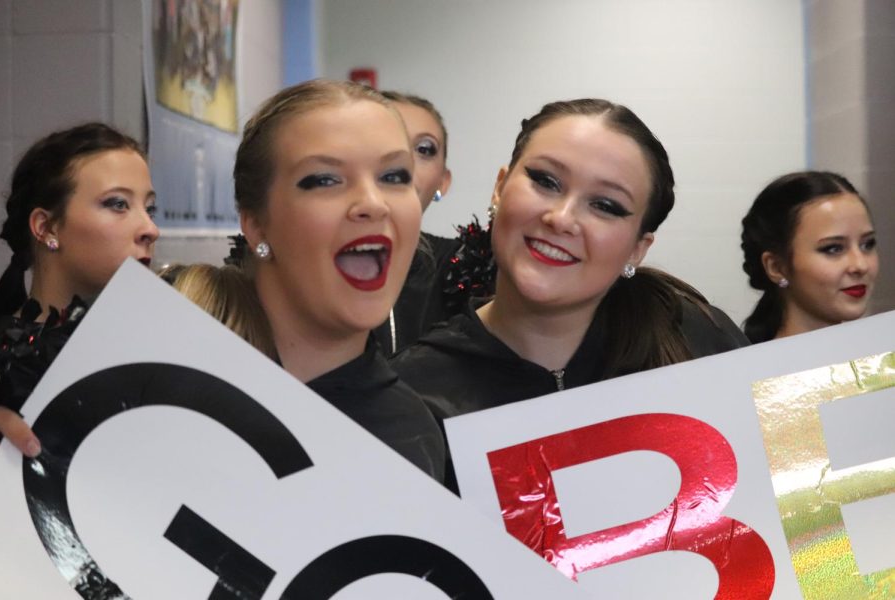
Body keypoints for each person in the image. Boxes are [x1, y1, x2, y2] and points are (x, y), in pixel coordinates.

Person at [390, 98, 747, 484]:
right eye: (545, 181)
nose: (561, 219)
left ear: (638, 248)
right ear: (499, 188)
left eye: (606, 205)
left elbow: (813, 517)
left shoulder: (698, 341)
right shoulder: (414, 396)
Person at [228, 80, 445, 480]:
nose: (373, 204)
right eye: (325, 179)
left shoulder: (411, 435)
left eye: (395, 176)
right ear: (255, 224)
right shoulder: (167, 371)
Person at [0, 122, 160, 457]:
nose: (150, 228)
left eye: (149, 207)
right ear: (47, 227)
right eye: (117, 204)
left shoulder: (166, 343)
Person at [740, 171, 877, 343]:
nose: (860, 265)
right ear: (776, 267)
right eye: (833, 248)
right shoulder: (758, 368)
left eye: (867, 244)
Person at [372, 91, 461, 355]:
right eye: (386, 140)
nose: (403, 160)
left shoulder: (462, 267)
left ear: (443, 182)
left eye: (423, 149)